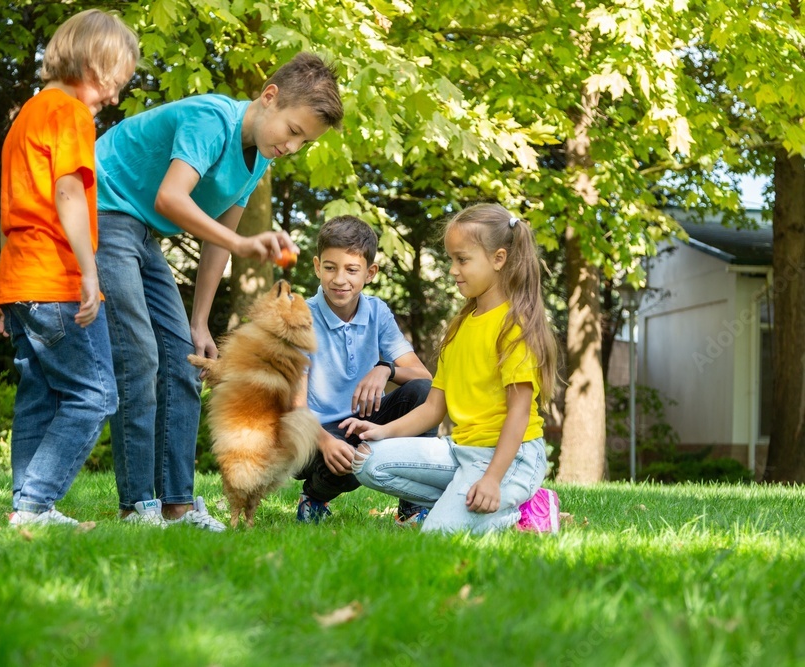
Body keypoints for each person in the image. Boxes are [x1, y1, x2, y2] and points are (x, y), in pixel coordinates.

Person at [95, 53, 343, 530]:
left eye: (305, 141)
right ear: (269, 97)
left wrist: (199, 321)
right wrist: (244, 242)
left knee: (186, 357)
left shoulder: (258, 162)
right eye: (293, 130)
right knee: (142, 356)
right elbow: (172, 197)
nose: (293, 145)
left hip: (141, 230)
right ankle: (136, 506)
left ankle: (177, 504)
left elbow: (216, 240)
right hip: (102, 209)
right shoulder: (211, 118)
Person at [0, 9, 139, 526]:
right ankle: (34, 504)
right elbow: (67, 191)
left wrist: (5, 292)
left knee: (39, 394)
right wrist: (89, 272)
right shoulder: (71, 114)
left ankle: (27, 508)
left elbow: (15, 210)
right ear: (92, 63)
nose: (114, 98)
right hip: (56, 279)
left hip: (22, 280)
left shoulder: (26, 116)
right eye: (113, 83)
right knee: (96, 394)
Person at [345, 203, 561, 534]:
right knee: (366, 460)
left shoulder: (513, 327)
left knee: (438, 535)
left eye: (462, 259)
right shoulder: (460, 327)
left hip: (511, 459)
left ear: (498, 259)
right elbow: (433, 408)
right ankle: (463, 503)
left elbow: (518, 414)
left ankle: (523, 509)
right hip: (461, 452)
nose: (452, 270)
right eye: (451, 260)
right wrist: (380, 432)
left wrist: (491, 479)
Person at [292, 215, 434, 524]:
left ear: (369, 273)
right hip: (312, 433)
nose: (339, 279)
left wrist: (386, 369)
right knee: (348, 456)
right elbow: (294, 404)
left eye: (351, 270)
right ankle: (314, 496)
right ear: (317, 266)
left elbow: (424, 377)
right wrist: (325, 441)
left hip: (364, 423)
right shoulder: (300, 316)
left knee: (423, 395)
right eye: (330, 268)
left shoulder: (377, 312)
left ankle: (412, 507)